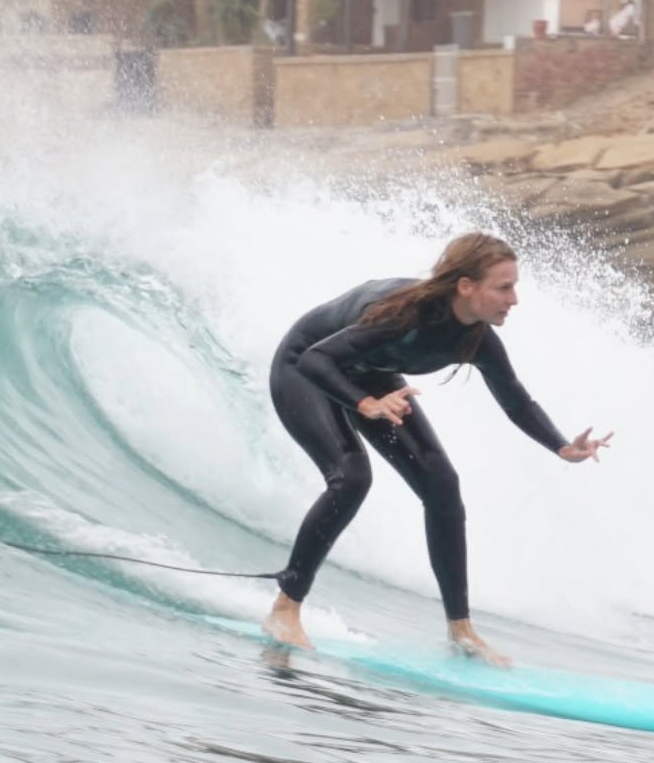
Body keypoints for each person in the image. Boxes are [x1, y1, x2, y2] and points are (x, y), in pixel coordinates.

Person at [262, 233, 612, 665]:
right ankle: (284, 609)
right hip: (305, 367)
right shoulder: (402, 314)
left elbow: (516, 401)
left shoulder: (477, 339)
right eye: (504, 288)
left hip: (370, 375)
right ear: (466, 286)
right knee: (351, 477)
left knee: (441, 484)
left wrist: (561, 447)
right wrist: (366, 404)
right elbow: (316, 359)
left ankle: (461, 631)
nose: (514, 299)